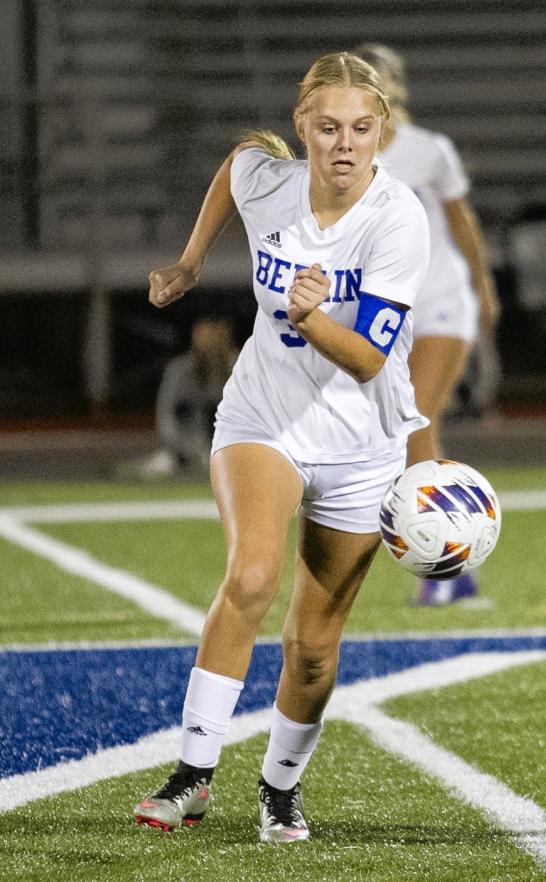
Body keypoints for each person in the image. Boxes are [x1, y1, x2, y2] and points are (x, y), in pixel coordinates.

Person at [133, 51, 430, 844]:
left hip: (364, 443)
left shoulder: (398, 218)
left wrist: (314, 320)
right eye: (327, 127)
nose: (344, 143)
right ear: (302, 129)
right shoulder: (272, 180)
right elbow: (236, 166)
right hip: (263, 418)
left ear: (382, 132)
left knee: (312, 649)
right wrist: (193, 260)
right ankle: (194, 773)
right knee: (252, 574)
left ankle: (280, 790)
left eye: (361, 129)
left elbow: (369, 358)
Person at [352, 43, 501, 607]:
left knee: (415, 423)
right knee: (393, 434)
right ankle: (451, 563)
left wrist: (484, 288)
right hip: (382, 314)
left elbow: (463, 225)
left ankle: (448, 566)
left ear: (395, 88)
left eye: (378, 78)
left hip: (441, 304)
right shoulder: (341, 156)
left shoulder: (429, 151)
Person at [141, 317, 238, 477]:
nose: (210, 341)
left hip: (230, 446)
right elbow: (166, 414)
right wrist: (178, 448)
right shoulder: (180, 370)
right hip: (185, 446)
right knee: (163, 466)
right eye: (204, 335)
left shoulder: (241, 366)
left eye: (215, 334)